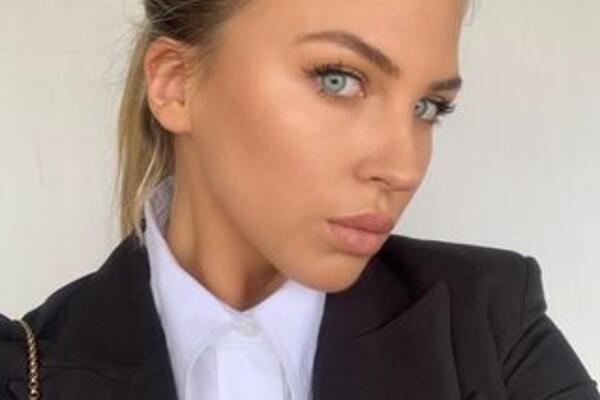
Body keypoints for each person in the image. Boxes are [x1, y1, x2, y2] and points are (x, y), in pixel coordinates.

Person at [1, 0, 598, 399]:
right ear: (176, 85)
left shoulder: (488, 325)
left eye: (428, 107)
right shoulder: (24, 373)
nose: (404, 168)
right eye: (339, 79)